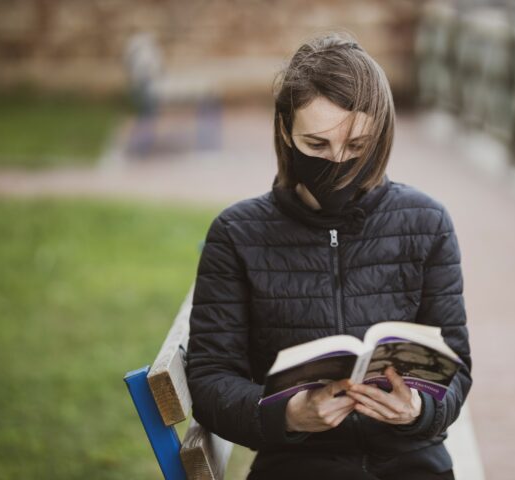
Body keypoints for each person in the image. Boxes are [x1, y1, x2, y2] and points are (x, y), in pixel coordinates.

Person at [186, 32, 472, 480]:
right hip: (298, 465)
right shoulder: (237, 233)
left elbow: (455, 365)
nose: (337, 162)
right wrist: (285, 415)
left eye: (357, 147)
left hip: (411, 463)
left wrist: (419, 409)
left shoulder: (426, 222)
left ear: (380, 135)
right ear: (285, 130)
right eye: (317, 146)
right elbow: (210, 376)